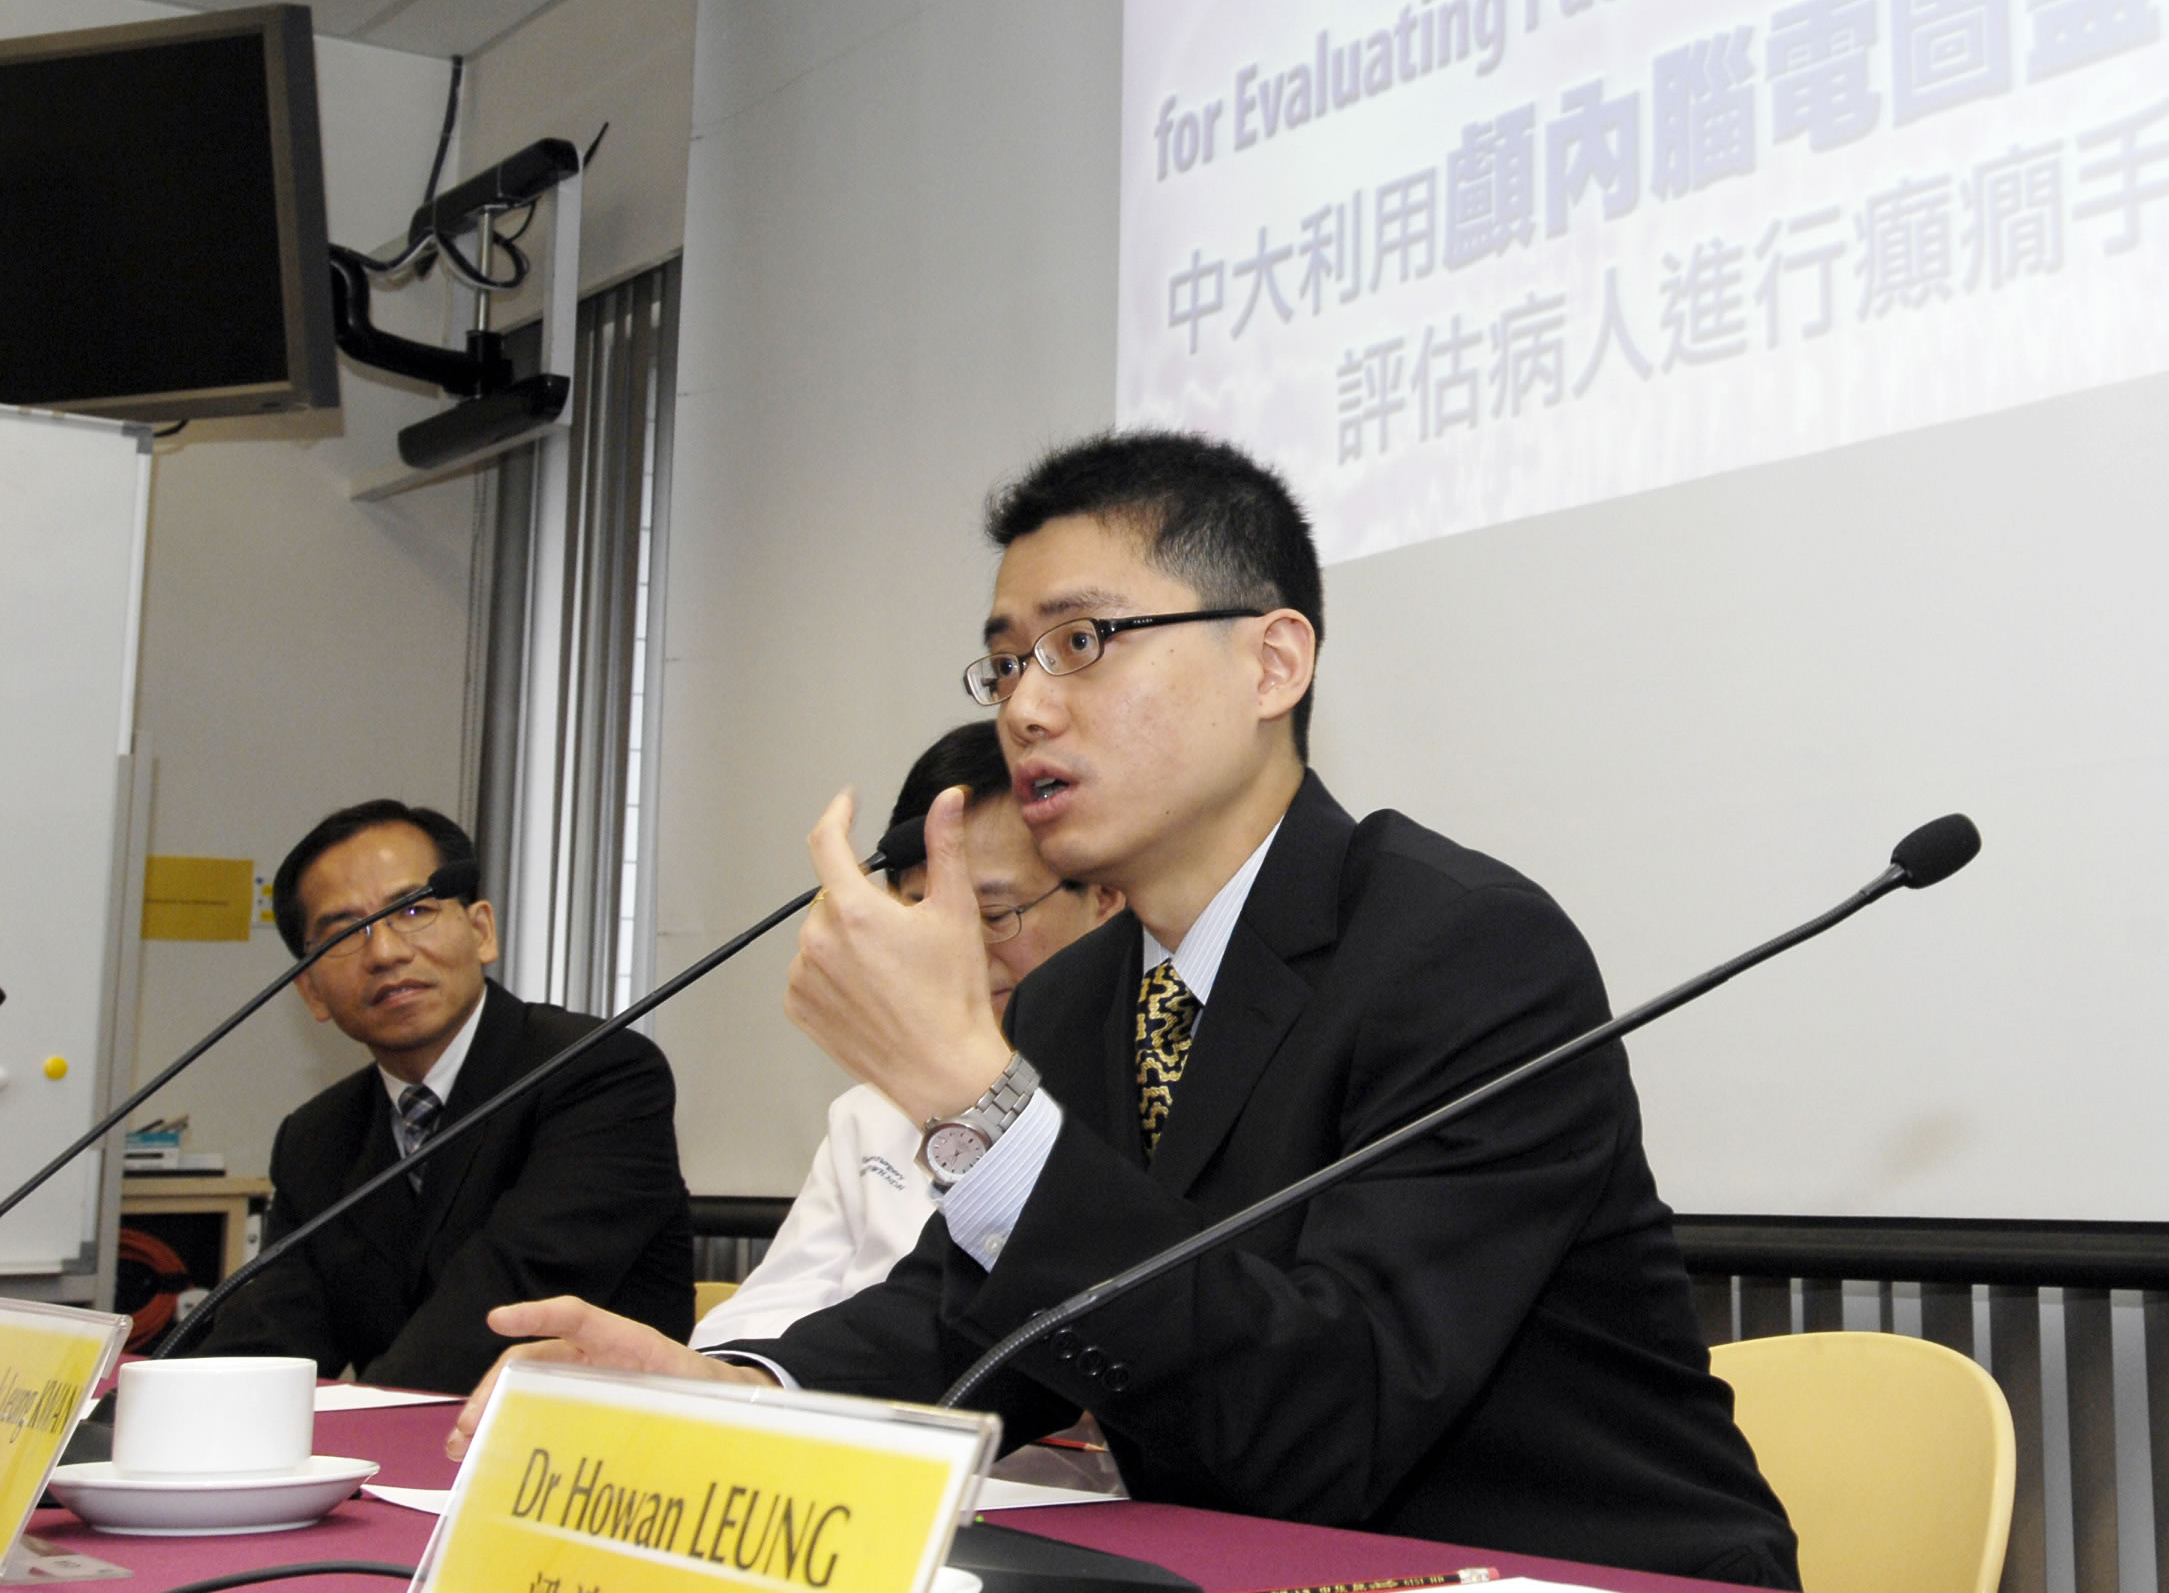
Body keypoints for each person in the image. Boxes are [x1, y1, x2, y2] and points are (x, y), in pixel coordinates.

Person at [454, 432, 1797, 1587]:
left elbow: (1326, 1426)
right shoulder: (1092, 990)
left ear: (1274, 663)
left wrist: (971, 1104)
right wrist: (737, 1395)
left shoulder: (1466, 952)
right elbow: (978, 1325)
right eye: (1006, 663)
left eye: (1084, 644)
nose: (1029, 706)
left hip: (1568, 1570)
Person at [192, 802, 693, 1391]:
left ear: (481, 931)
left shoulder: (597, 1072)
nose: (385, 953)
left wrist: (367, 1422)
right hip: (404, 1462)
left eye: (413, 910)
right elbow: (270, 1332)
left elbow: (509, 1295)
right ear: (311, 991)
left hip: (583, 1456)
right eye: (346, 934)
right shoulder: (317, 1136)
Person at [693, 723, 1119, 1346]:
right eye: (925, 909)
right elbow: (772, 1309)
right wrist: (714, 1375)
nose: (958, 951)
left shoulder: (1149, 1092)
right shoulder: (868, 1113)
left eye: (994, 915)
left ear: (1105, 896)